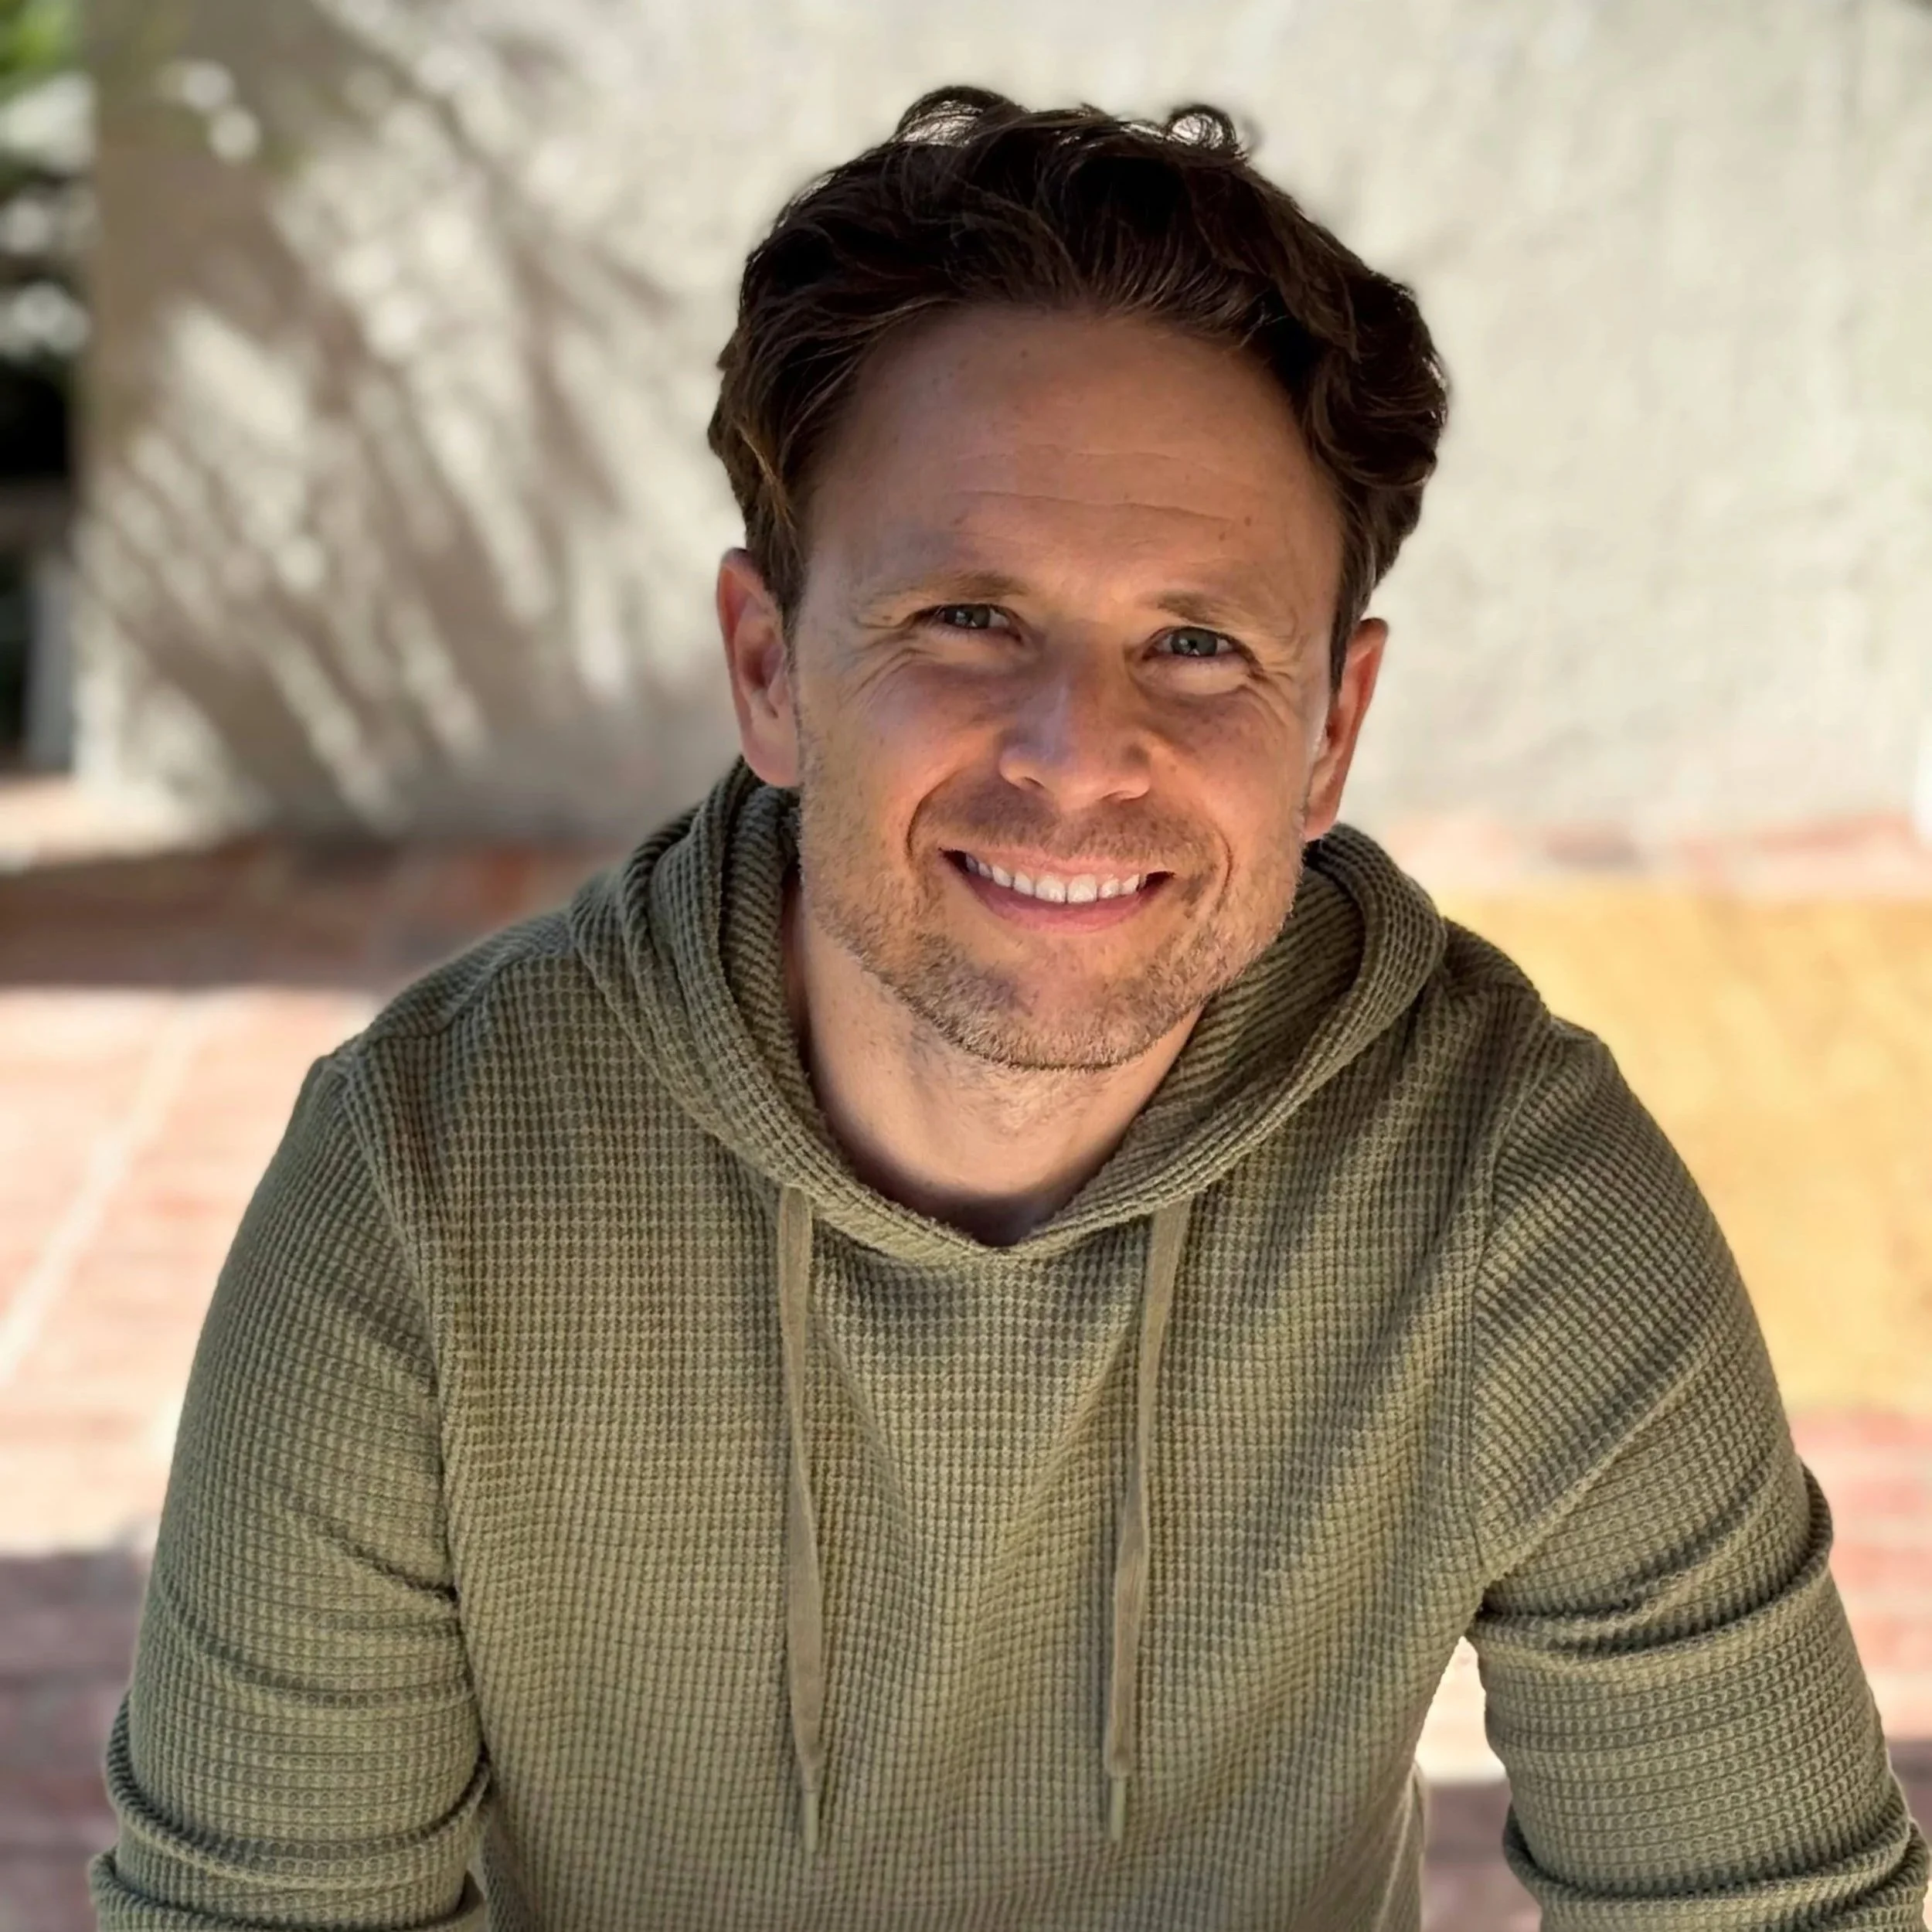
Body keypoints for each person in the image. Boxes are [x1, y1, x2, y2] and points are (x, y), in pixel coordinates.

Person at [90, 86, 1928, 1932]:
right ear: (768, 668)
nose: (1077, 756)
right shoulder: (423, 1177)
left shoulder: (1510, 1198)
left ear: (1331, 733)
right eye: (967, 617)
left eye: (1197, 643)